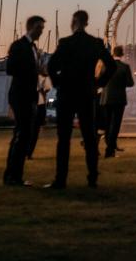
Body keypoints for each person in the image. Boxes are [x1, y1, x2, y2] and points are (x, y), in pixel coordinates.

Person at [46, 10, 115, 189]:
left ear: (74, 21)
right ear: (86, 22)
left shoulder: (65, 43)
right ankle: (92, 177)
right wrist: (99, 83)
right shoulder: (95, 43)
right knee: (90, 137)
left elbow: (51, 66)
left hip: (67, 93)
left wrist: (58, 83)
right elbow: (112, 65)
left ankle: (61, 179)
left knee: (64, 138)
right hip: (86, 93)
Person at [3, 16, 45, 186]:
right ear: (32, 27)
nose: (42, 31)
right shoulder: (19, 46)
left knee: (24, 135)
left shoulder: (33, 48)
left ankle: (15, 175)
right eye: (40, 28)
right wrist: (33, 68)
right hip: (20, 95)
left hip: (29, 95)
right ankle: (12, 176)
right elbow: (10, 68)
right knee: (21, 134)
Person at [99, 45, 134, 158]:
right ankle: (110, 150)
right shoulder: (125, 67)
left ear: (113, 54)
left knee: (108, 124)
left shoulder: (105, 65)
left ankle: (109, 147)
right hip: (119, 98)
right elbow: (130, 83)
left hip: (106, 98)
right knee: (116, 125)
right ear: (122, 54)